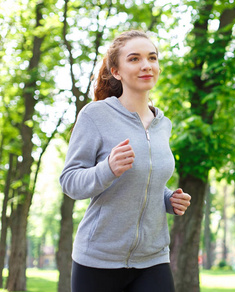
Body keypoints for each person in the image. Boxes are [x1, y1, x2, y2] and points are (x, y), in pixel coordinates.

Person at [59, 30, 191, 292]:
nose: (146, 65)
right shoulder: (95, 115)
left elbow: (145, 182)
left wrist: (168, 199)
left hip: (153, 258)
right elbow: (70, 181)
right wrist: (107, 169)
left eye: (152, 58)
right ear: (116, 71)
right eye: (134, 59)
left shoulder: (163, 124)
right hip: (98, 260)